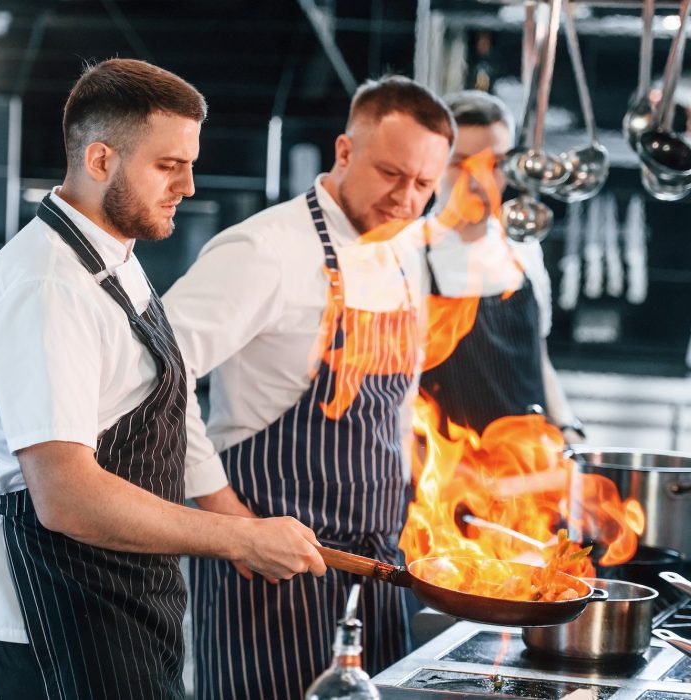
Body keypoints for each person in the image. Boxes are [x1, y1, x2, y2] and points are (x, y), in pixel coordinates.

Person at [0, 58, 325, 700]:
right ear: (100, 160)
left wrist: (233, 523)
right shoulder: (48, 284)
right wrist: (238, 537)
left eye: (189, 162)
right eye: (168, 165)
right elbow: (66, 496)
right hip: (57, 601)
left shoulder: (113, 256)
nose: (187, 184)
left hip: (118, 592)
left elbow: (162, 408)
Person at [162, 75, 454, 699]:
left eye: (425, 185)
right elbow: (157, 371)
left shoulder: (406, 254)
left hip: (378, 567)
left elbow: (396, 413)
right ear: (344, 152)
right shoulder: (265, 250)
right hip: (269, 574)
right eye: (391, 174)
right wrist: (226, 518)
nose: (407, 200)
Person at [419, 89, 583, 441]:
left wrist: (568, 426)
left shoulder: (523, 246)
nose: (479, 180)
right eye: (461, 163)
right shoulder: (408, 253)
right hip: (450, 478)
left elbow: (538, 359)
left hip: (529, 471)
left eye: (494, 163)